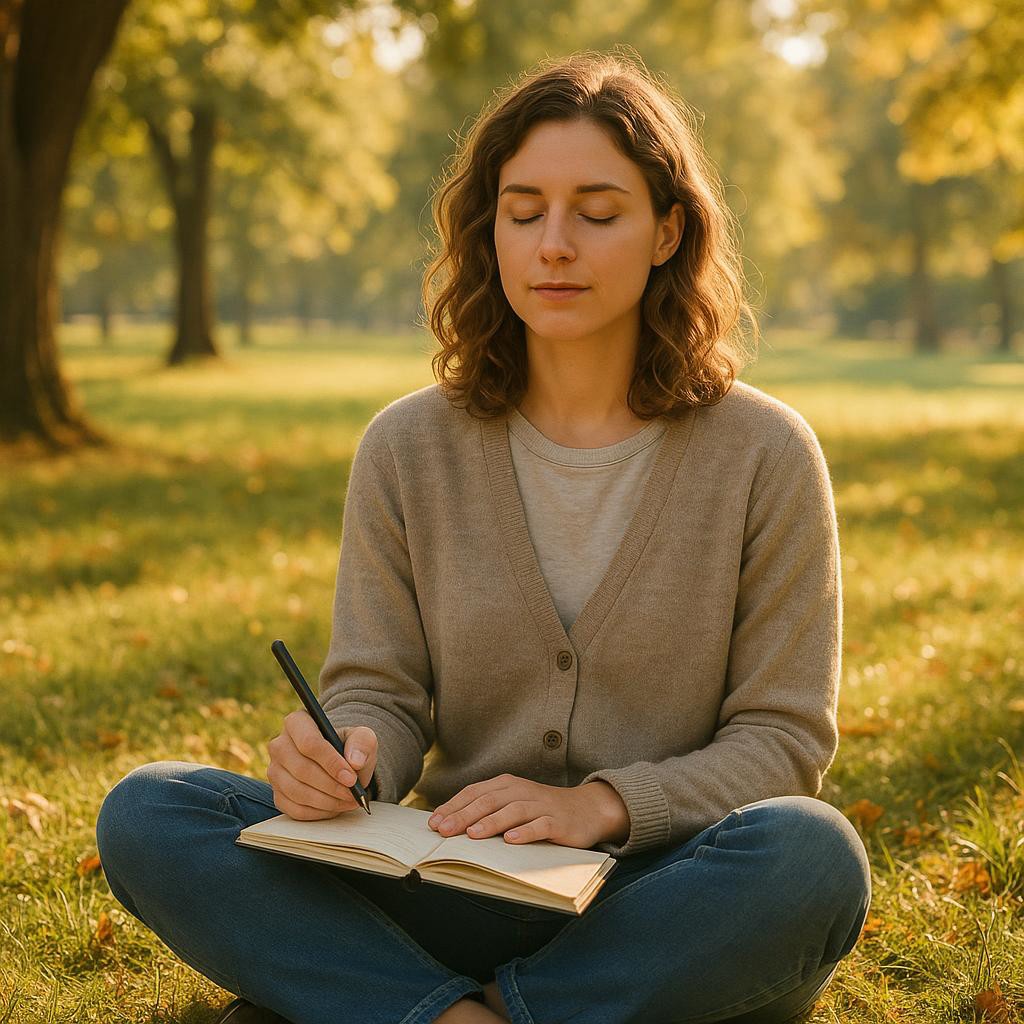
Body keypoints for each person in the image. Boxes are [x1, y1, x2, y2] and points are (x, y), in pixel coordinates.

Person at [96, 49, 872, 1024]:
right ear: (488, 231)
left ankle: (387, 1001)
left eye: (596, 213)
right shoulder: (406, 446)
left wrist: (599, 805)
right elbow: (379, 686)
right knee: (154, 810)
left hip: (661, 899)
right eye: (522, 212)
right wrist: (349, 758)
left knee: (811, 855)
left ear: (667, 231)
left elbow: (781, 742)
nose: (554, 244)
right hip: (449, 884)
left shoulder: (765, 453)